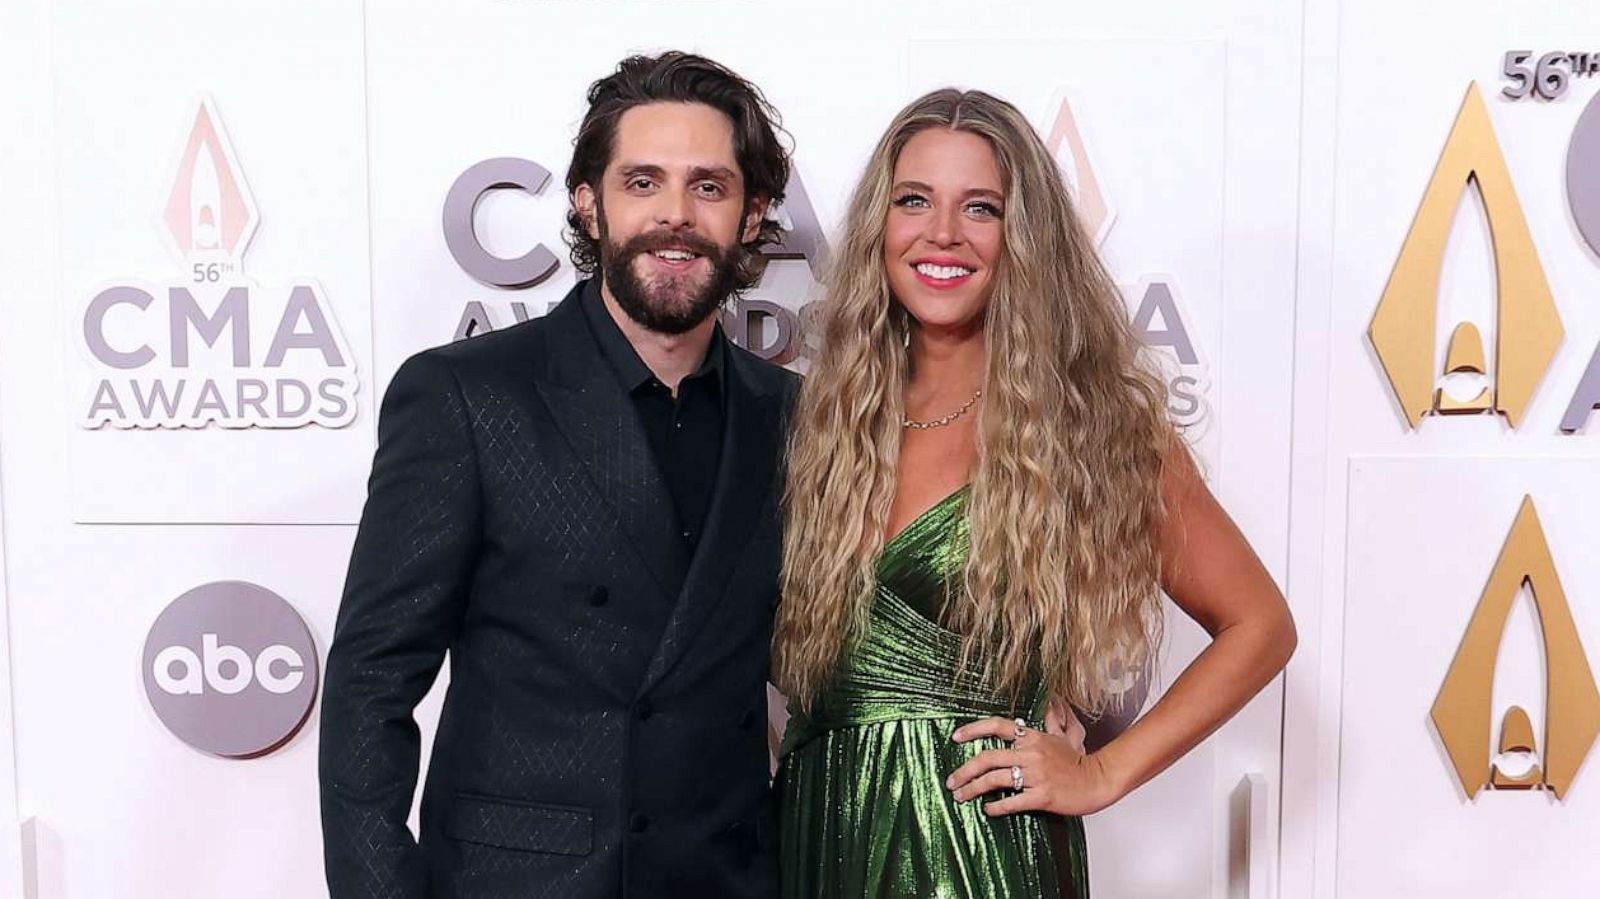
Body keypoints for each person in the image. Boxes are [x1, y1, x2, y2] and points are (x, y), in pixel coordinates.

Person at [773, 88, 1296, 899]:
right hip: (817, 824)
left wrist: (1103, 771)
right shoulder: (819, 421)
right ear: (881, 225)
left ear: (1024, 238)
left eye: (979, 207)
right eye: (915, 200)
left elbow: (1260, 625)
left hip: (977, 847)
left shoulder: (1092, 429)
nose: (941, 233)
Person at [319, 51, 798, 898]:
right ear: (589, 200)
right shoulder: (467, 398)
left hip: (726, 878)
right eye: (642, 182)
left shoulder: (792, 416)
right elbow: (369, 684)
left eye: (710, 187)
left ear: (753, 214)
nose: (675, 216)